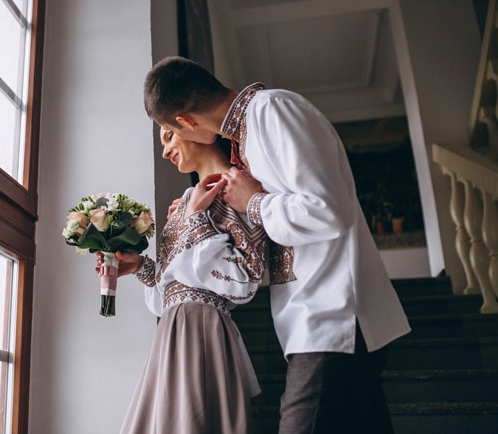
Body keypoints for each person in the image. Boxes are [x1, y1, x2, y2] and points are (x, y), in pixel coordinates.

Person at [142, 56, 411, 434]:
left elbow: (328, 210)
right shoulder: (248, 138)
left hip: (331, 313)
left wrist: (252, 202)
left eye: (170, 132)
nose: (171, 147)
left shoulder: (272, 111)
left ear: (185, 122)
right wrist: (198, 221)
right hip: (314, 318)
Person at [98, 129, 272, 434]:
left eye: (169, 136)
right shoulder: (182, 207)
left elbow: (245, 280)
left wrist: (196, 219)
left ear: (195, 127)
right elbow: (172, 285)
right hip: (170, 334)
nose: (165, 151)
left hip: (203, 331)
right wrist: (140, 266)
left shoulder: (242, 189)